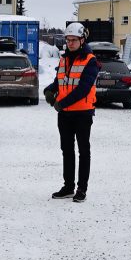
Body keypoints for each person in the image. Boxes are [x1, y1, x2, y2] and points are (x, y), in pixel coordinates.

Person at [44, 22, 98, 203]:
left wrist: (62, 103)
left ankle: (81, 189)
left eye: (74, 40)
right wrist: (49, 90)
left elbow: (83, 89)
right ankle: (68, 187)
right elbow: (60, 81)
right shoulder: (64, 59)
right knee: (66, 150)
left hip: (83, 113)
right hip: (65, 114)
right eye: (68, 40)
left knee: (84, 151)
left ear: (82, 40)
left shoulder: (90, 60)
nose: (70, 43)